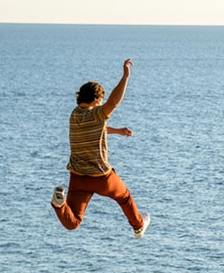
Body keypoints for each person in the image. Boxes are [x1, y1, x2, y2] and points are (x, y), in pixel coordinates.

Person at [50, 58, 150, 238]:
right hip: (100, 177)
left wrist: (118, 131)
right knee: (125, 197)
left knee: (73, 222)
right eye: (101, 100)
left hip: (78, 177)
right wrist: (125, 76)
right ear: (96, 100)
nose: (102, 104)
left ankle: (59, 204)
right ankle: (138, 226)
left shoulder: (74, 115)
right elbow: (113, 102)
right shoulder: (97, 114)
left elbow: (97, 128)